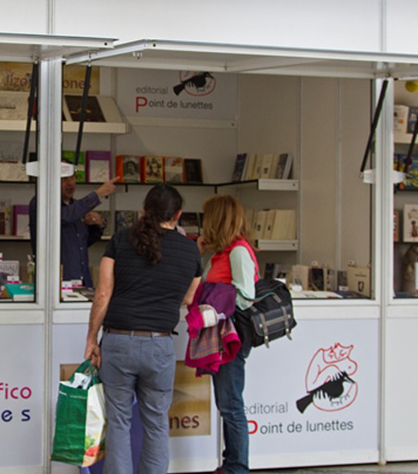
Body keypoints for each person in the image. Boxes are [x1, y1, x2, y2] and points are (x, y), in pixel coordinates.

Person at [85, 184, 201, 474]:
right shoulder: (191, 251)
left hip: (119, 342)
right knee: (157, 423)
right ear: (178, 215)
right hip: (159, 346)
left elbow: (103, 293)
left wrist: (91, 338)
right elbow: (188, 298)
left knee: (119, 422)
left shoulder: (122, 240)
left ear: (145, 209)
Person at [198, 194, 258, 474]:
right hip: (220, 335)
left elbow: (246, 296)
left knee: (231, 403)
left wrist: (216, 300)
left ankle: (237, 466)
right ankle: (230, 462)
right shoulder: (222, 252)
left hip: (230, 337)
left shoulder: (238, 251)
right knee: (226, 402)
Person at [28, 168, 117, 286]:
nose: (70, 183)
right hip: (55, 284)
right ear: (51, 180)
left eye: (72, 177)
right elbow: (63, 217)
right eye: (64, 179)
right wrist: (98, 194)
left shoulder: (76, 206)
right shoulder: (40, 203)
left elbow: (81, 242)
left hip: (82, 281)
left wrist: (98, 225)